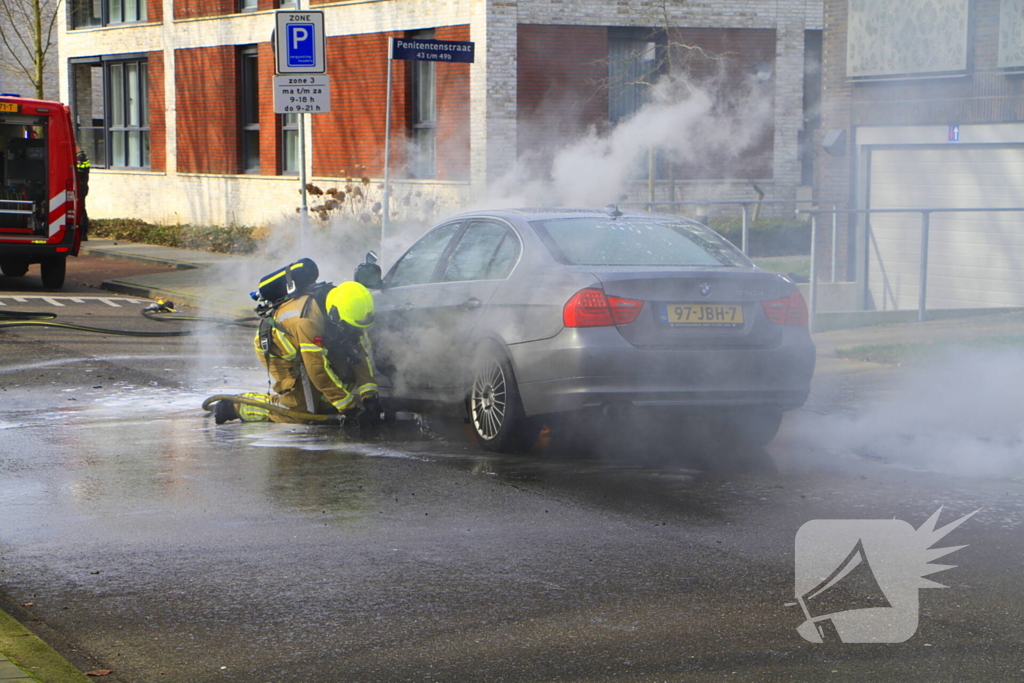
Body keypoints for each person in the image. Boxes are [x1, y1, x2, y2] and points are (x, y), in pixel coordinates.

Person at [214, 273, 381, 425]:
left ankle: (325, 402)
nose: (355, 332)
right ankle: (236, 406)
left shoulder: (346, 312)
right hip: (281, 354)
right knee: (300, 412)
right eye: (350, 327)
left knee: (337, 389)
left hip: (313, 348)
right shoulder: (306, 322)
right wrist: (350, 409)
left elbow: (361, 355)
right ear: (335, 315)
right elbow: (317, 369)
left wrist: (370, 397)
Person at [75, 150, 91, 241]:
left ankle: (82, 233)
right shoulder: (82, 157)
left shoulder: (80, 158)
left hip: (80, 186)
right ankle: (82, 233)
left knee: (80, 209)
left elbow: (79, 173)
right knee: (81, 208)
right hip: (82, 185)